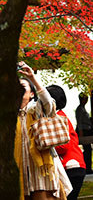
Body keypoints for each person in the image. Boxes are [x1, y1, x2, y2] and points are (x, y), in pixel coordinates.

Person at [15, 61, 72, 199]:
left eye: (22, 87)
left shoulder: (34, 109)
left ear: (32, 94)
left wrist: (32, 78)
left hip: (41, 176)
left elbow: (48, 103)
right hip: (19, 177)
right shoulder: (9, 116)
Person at [47, 85, 87, 200]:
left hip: (70, 165)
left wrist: (45, 147)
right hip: (75, 164)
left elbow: (63, 146)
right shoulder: (60, 116)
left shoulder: (57, 118)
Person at [75, 94, 93, 174]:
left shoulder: (83, 109)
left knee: (88, 150)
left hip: (87, 130)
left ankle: (88, 168)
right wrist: (81, 133)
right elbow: (79, 122)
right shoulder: (79, 109)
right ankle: (87, 168)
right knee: (87, 150)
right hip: (83, 131)